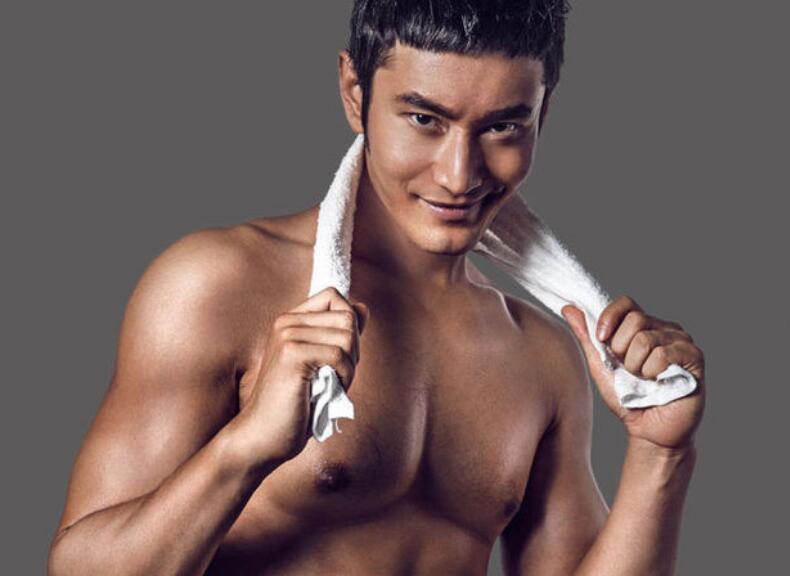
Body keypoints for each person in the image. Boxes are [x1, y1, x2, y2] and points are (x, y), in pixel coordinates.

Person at [48, 1, 706, 574]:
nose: (459, 175)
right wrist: (246, 449)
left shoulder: (543, 352)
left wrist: (661, 453)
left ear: (542, 113)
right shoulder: (217, 288)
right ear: (353, 92)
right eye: (424, 119)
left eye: (502, 126)